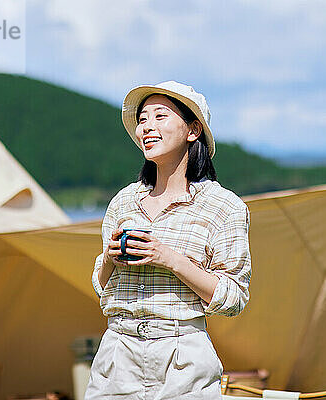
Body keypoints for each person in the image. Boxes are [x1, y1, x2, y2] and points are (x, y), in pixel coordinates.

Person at [85, 81, 251, 399]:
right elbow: (101, 286)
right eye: (143, 119)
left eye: (160, 116)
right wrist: (109, 257)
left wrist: (170, 259)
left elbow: (233, 299)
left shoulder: (224, 206)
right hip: (118, 354)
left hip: (183, 357)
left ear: (193, 130)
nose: (146, 127)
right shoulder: (123, 201)